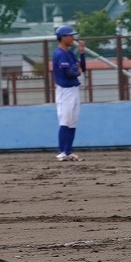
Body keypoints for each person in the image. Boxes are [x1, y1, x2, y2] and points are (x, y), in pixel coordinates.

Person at [52, 25, 86, 162]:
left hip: (73, 89)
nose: (73, 38)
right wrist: (77, 72)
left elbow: (83, 68)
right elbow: (69, 73)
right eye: (70, 36)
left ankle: (68, 151)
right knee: (65, 120)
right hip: (64, 90)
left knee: (73, 122)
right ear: (63, 37)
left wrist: (82, 52)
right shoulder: (59, 53)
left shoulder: (70, 53)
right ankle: (62, 152)